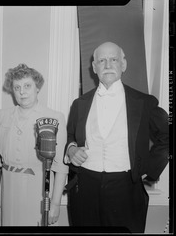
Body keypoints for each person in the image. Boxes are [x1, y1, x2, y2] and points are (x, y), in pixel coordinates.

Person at [64, 42, 169, 233]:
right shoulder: (79, 103)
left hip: (126, 188)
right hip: (85, 188)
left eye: (114, 59)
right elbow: (70, 136)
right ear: (94, 67)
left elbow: (167, 136)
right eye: (101, 60)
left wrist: (149, 168)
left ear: (124, 64)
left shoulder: (144, 102)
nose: (108, 64)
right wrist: (71, 149)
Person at [0, 63, 68, 226]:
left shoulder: (54, 117)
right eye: (16, 87)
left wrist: (55, 203)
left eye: (27, 86)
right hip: (8, 187)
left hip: (39, 189)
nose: (22, 91)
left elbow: (60, 166)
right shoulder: (2, 116)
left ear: (37, 87)